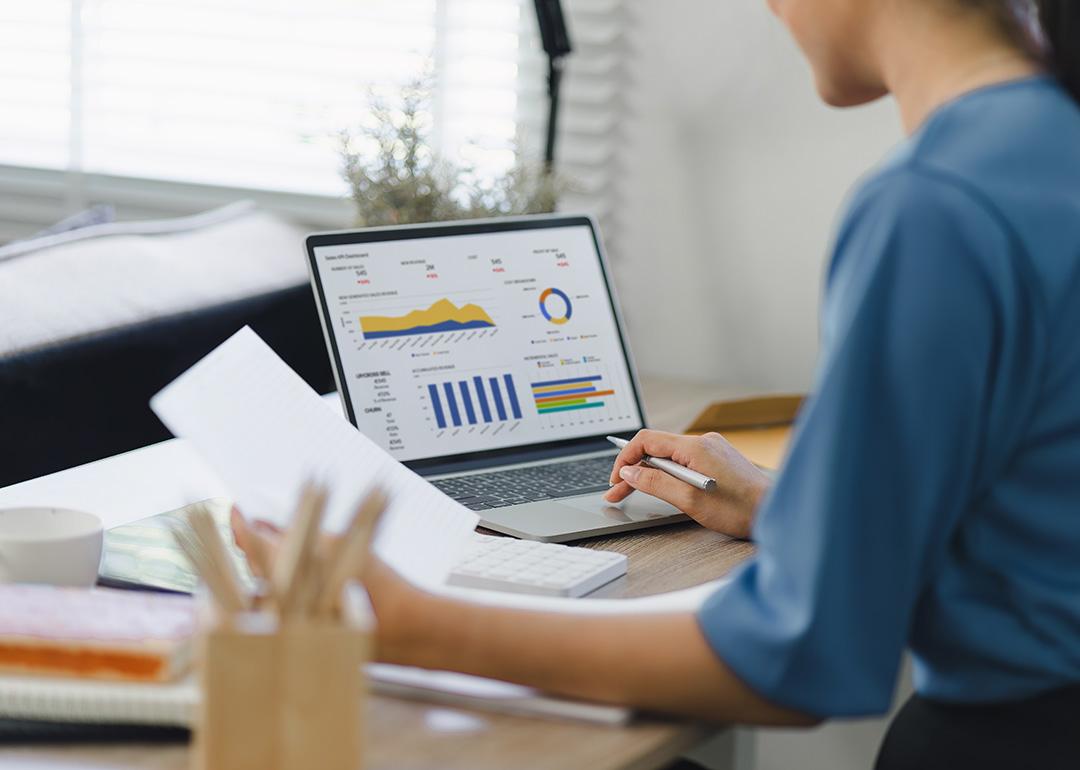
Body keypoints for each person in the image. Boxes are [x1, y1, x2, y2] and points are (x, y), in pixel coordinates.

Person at [234, 1, 1080, 767]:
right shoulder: (1046, 143)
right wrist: (784, 507)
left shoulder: (936, 205)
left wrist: (413, 626)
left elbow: (803, 659)